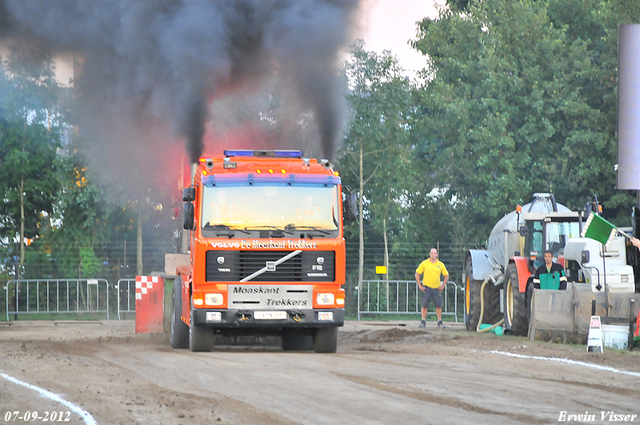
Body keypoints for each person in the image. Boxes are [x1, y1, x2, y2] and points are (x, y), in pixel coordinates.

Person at [415, 248, 449, 329]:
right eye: (432, 253)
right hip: (426, 288)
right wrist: (420, 285)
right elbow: (417, 273)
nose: (433, 254)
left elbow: (446, 275)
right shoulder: (424, 263)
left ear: (437, 254)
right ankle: (423, 321)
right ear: (429, 254)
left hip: (436, 288)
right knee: (424, 305)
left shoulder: (440, 264)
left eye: (434, 253)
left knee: (438, 305)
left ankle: (439, 321)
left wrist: (443, 285)